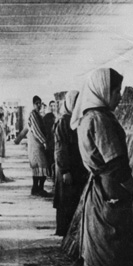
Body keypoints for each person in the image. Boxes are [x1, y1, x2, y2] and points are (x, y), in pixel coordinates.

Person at [70, 68, 133, 266]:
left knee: (99, 252)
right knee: (108, 253)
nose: (120, 97)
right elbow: (118, 164)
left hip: (99, 192)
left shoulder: (86, 117)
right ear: (103, 91)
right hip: (110, 192)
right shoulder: (101, 120)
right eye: (116, 91)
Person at [53, 91, 87, 236]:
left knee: (72, 199)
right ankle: (63, 231)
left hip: (76, 167)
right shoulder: (64, 122)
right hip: (67, 169)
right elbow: (60, 148)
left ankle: (70, 232)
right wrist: (65, 170)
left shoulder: (75, 119)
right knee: (66, 200)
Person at [28, 95, 51, 197]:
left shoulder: (39, 115)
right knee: (40, 166)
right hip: (36, 145)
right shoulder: (33, 115)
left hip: (39, 144)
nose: (39, 105)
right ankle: (37, 188)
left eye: (40, 103)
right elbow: (36, 130)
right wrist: (44, 141)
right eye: (37, 103)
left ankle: (38, 188)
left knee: (41, 167)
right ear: (33, 104)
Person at [43, 100, 58, 177]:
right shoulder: (46, 117)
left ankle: (55, 175)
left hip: (57, 141)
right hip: (49, 140)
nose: (53, 108)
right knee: (49, 158)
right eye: (51, 106)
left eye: (54, 106)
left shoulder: (59, 116)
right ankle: (50, 173)